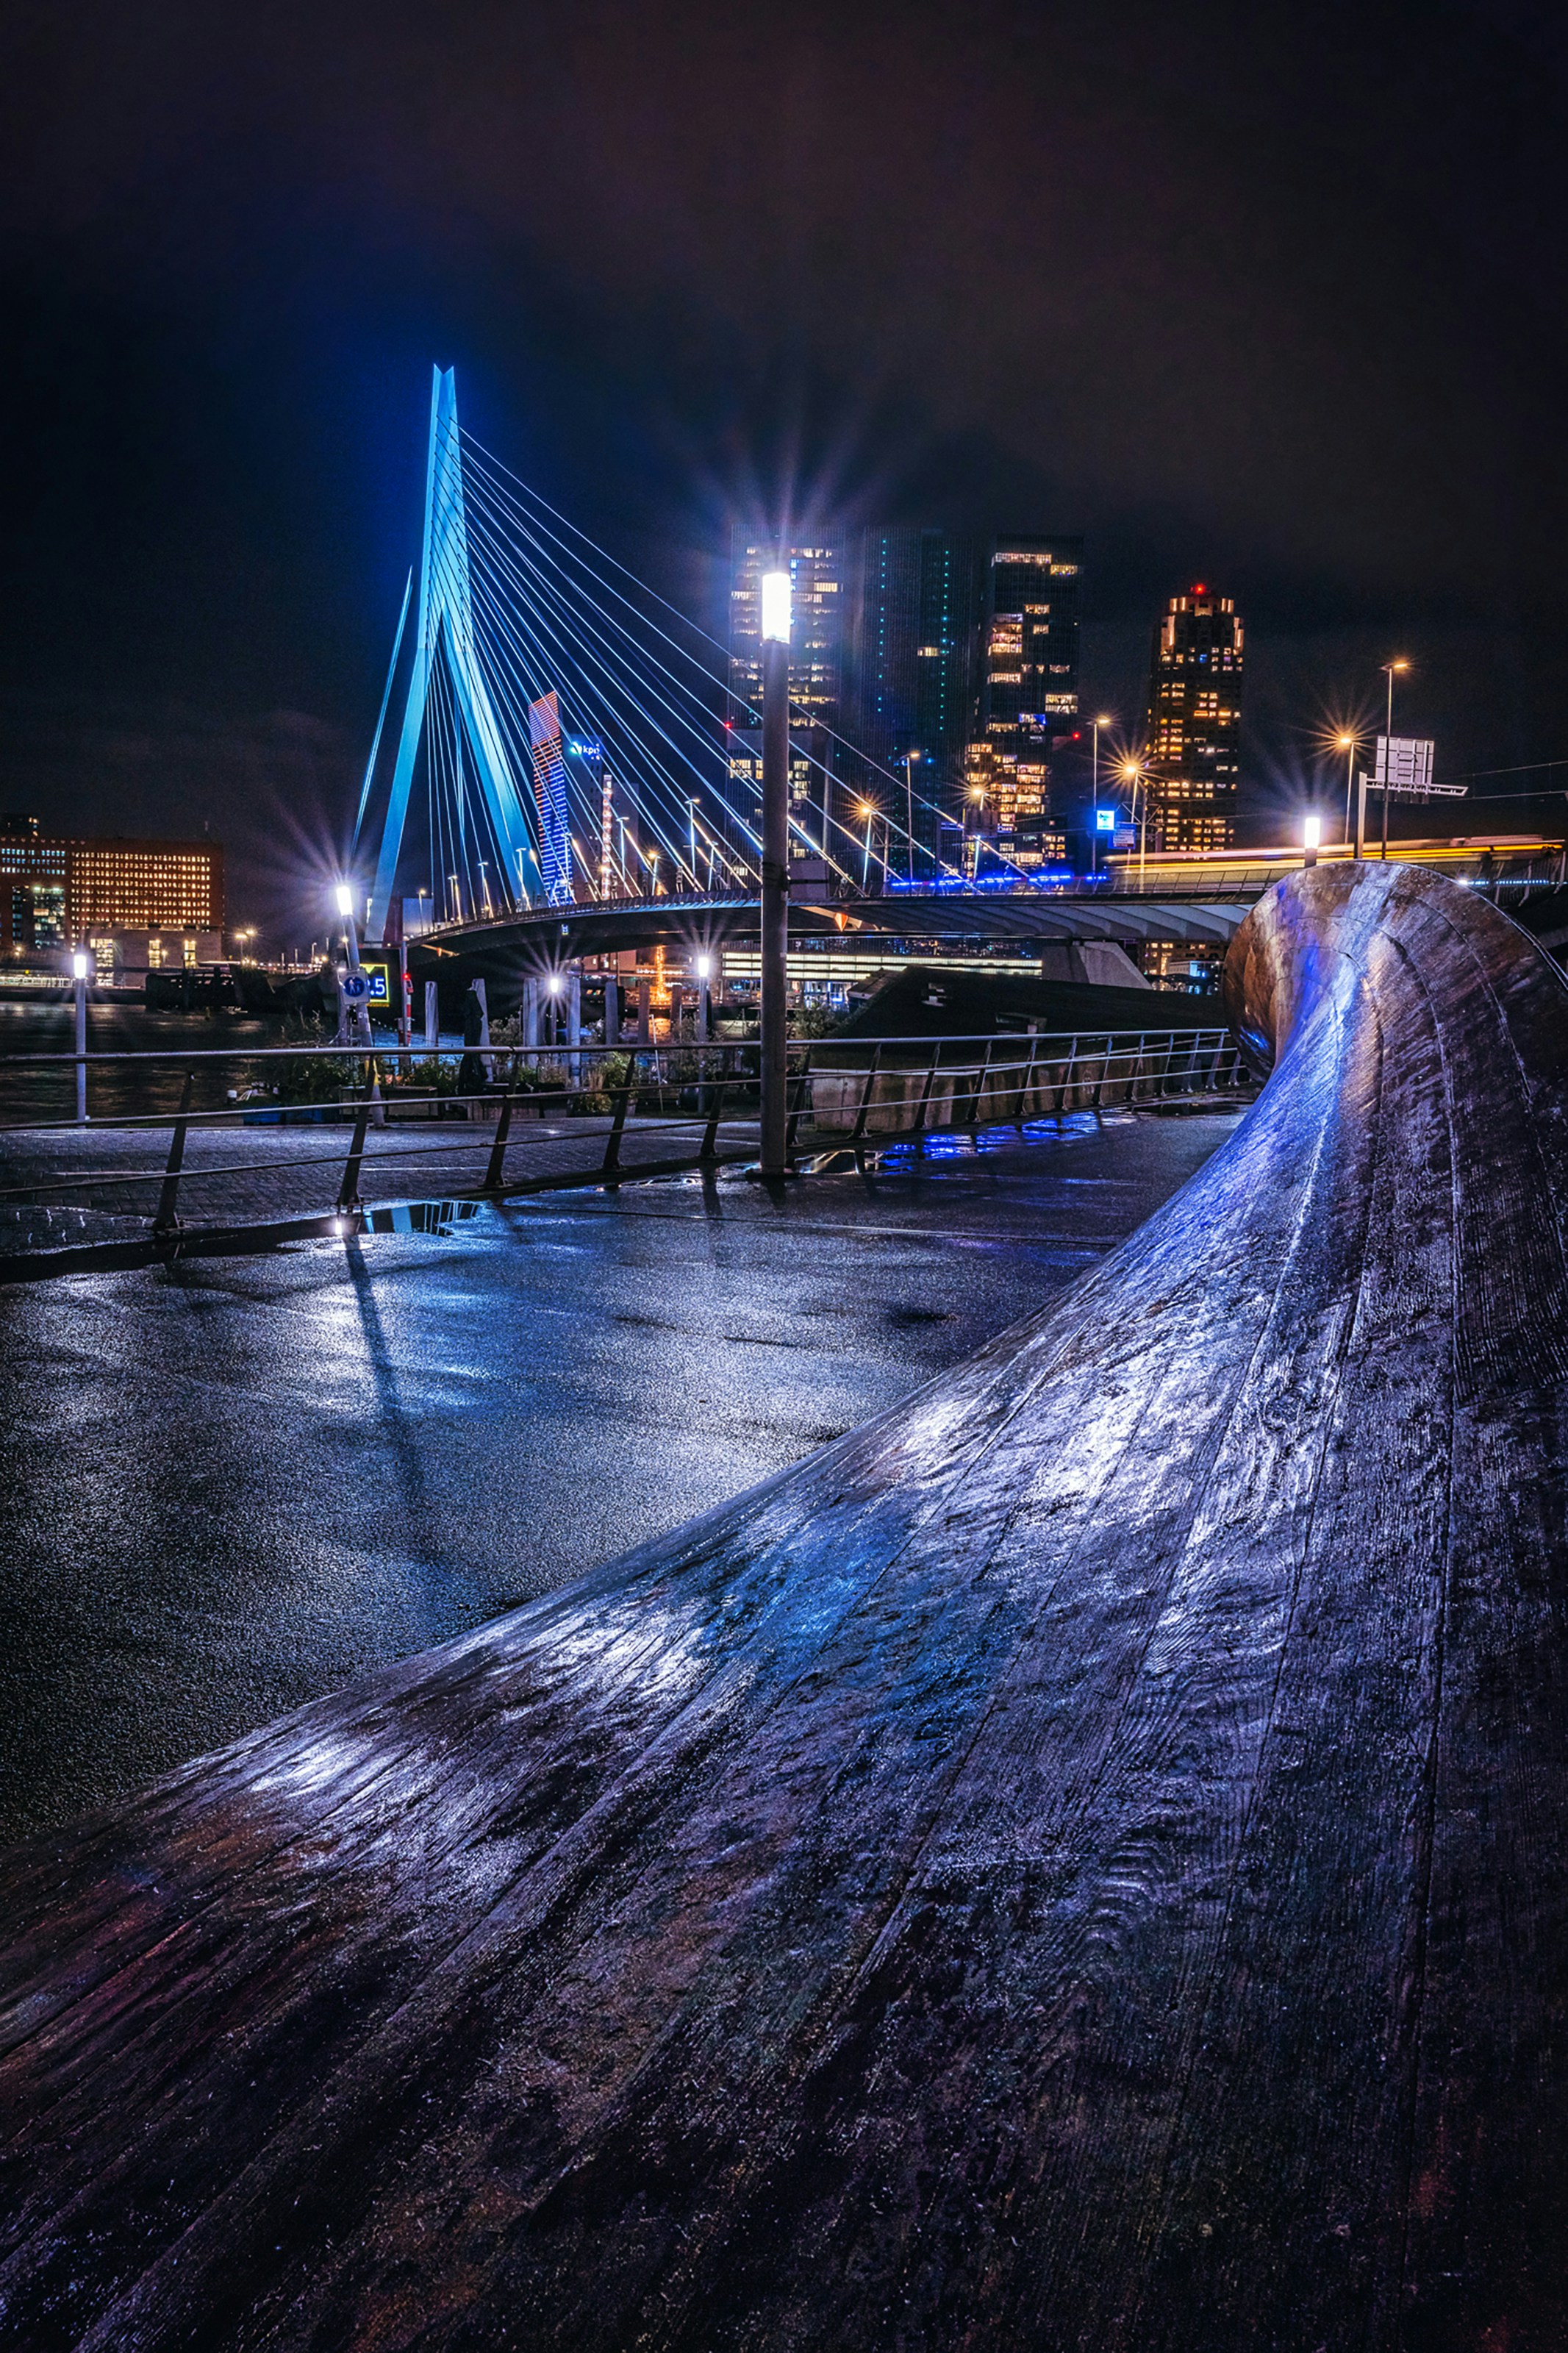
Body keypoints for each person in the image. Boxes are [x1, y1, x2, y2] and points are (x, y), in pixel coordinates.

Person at [457, 982, 488, 1102]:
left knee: (470, 1056)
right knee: (472, 1056)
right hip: (472, 1047)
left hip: (470, 1048)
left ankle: (467, 1084)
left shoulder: (471, 1021)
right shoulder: (476, 1021)